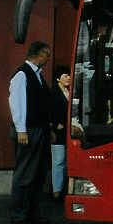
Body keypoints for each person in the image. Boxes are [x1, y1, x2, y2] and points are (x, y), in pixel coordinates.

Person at [8, 41, 52, 224]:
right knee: (25, 174)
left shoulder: (38, 76)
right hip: (28, 130)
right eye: (47, 55)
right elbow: (16, 103)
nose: (48, 59)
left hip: (38, 130)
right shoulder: (22, 75)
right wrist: (21, 130)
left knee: (38, 174)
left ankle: (32, 213)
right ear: (39, 54)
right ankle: (18, 216)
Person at [50, 65, 70, 200]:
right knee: (58, 161)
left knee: (69, 160)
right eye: (65, 76)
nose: (68, 77)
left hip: (70, 131)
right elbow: (48, 110)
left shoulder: (71, 92)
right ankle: (56, 190)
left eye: (69, 75)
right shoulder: (53, 93)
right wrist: (55, 125)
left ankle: (66, 189)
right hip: (58, 132)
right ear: (58, 79)